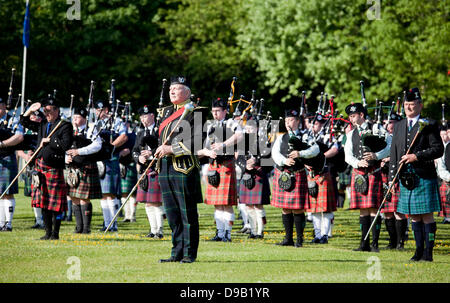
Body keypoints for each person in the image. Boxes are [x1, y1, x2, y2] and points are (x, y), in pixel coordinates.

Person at [155, 76, 208, 263]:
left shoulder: (197, 112)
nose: (172, 91)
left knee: (187, 214)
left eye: (176, 88)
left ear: (187, 92)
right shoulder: (166, 112)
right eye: (171, 89)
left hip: (184, 167)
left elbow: (196, 142)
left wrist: (171, 149)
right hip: (164, 168)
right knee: (172, 215)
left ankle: (189, 253)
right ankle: (176, 252)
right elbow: (159, 140)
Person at [389, 88, 444, 261]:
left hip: (423, 175)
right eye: (406, 105)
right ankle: (418, 250)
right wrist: (392, 178)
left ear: (420, 105)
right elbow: (395, 152)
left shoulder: (429, 124)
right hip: (405, 178)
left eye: (412, 105)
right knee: (413, 215)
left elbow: (438, 149)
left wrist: (416, 156)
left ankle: (428, 253)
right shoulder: (398, 126)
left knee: (427, 215)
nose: (409, 108)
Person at [20, 97, 73, 240]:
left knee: (55, 205)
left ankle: (55, 234)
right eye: (44, 111)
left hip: (54, 167)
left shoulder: (65, 125)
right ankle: (47, 232)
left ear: (56, 110)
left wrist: (50, 141)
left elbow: (66, 145)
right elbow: (24, 122)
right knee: (43, 202)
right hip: (40, 167)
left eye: (49, 111)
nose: (46, 114)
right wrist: (30, 109)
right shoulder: (43, 123)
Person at [344, 102, 391, 252]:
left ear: (361, 115)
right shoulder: (351, 134)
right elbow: (347, 156)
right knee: (363, 210)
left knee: (374, 209)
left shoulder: (376, 128)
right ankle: (363, 244)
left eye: (353, 116)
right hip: (359, 173)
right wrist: (357, 162)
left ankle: (374, 244)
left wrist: (376, 155)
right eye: (350, 116)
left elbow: (390, 146)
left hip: (373, 172)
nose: (351, 119)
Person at [271, 109, 320, 247]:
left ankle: (299, 239)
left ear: (298, 121)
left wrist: (301, 153)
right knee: (285, 208)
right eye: (286, 121)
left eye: (291, 120)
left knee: (298, 209)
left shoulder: (305, 136)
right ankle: (288, 239)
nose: (288, 123)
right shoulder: (281, 137)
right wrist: (283, 161)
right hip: (283, 174)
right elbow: (275, 153)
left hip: (298, 174)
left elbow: (315, 150)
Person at [199, 98, 242, 242]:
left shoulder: (232, 123)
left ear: (225, 111)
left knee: (227, 204)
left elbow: (239, 135)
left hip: (226, 166)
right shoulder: (210, 126)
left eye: (218, 111)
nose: (215, 114)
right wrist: (207, 152)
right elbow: (203, 146)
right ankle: (220, 233)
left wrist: (223, 144)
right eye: (213, 111)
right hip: (213, 167)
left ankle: (227, 234)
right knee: (217, 204)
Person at [65, 107, 103, 234]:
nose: (75, 120)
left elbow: (97, 146)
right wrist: (66, 158)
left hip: (86, 166)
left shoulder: (91, 128)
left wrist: (78, 152)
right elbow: (62, 146)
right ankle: (78, 227)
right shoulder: (69, 131)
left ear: (84, 118)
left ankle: (86, 228)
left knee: (83, 198)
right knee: (73, 197)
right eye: (74, 117)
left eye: (78, 117)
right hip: (72, 168)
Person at [94, 100, 128, 232]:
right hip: (99, 160)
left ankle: (113, 224)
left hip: (111, 158)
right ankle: (106, 223)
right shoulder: (97, 123)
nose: (98, 112)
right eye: (97, 110)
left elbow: (124, 136)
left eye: (100, 110)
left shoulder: (116, 121)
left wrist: (111, 146)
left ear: (107, 110)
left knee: (111, 194)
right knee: (103, 194)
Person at [132, 105, 165, 238]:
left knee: (156, 202)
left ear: (152, 116)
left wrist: (151, 153)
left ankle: (160, 230)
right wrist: (138, 158)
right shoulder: (140, 133)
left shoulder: (159, 131)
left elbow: (163, 148)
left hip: (157, 168)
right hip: (145, 170)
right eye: (141, 117)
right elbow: (134, 150)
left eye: (146, 116)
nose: (143, 119)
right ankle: (153, 230)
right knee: (147, 202)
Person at [305, 114, 338, 244]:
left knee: (325, 208)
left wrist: (319, 157)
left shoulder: (329, 135)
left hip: (324, 173)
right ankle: (317, 235)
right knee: (314, 208)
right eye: (313, 124)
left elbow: (335, 149)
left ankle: (325, 234)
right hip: (311, 173)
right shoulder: (306, 136)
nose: (314, 126)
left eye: (317, 124)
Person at [238, 119, 272, 239]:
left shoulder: (264, 142)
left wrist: (256, 162)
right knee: (248, 205)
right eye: (247, 129)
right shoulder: (243, 142)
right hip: (246, 174)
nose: (249, 131)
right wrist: (245, 165)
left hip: (259, 175)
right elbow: (239, 159)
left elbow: (270, 161)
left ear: (257, 129)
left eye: (251, 129)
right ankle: (253, 231)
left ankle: (260, 231)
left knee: (258, 205)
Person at [380, 112, 408, 250]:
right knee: (387, 211)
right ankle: (392, 242)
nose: (389, 125)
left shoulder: (403, 137)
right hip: (384, 176)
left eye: (392, 122)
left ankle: (400, 242)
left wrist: (390, 159)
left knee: (398, 211)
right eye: (388, 122)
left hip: (398, 175)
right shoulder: (382, 138)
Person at [0, 98, 25, 232]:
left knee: (7, 192)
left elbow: (19, 137)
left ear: (4, 107)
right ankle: (1, 222)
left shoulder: (12, 119)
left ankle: (8, 223)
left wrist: (2, 144)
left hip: (7, 156)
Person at [436, 123, 450, 224]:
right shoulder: (445, 148)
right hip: (447, 179)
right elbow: (441, 165)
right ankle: (448, 217)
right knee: (446, 200)